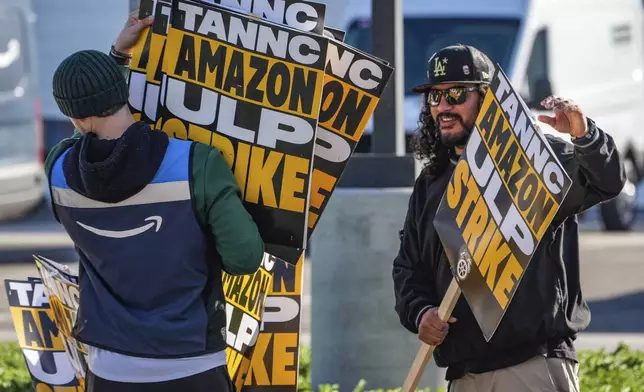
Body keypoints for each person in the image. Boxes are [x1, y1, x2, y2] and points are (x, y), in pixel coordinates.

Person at [44, 12, 264, 392]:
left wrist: (116, 58)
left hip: (109, 371)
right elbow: (245, 259)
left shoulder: (59, 172)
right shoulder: (198, 163)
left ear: (70, 114)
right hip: (194, 365)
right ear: (120, 93)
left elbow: (87, 130)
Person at [392, 44, 626, 392]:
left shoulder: (534, 158)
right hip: (463, 373)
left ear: (487, 98)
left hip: (532, 365)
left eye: (456, 93)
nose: (443, 107)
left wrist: (584, 136)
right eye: (434, 97)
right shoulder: (431, 184)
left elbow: (606, 182)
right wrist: (421, 312)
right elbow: (408, 269)